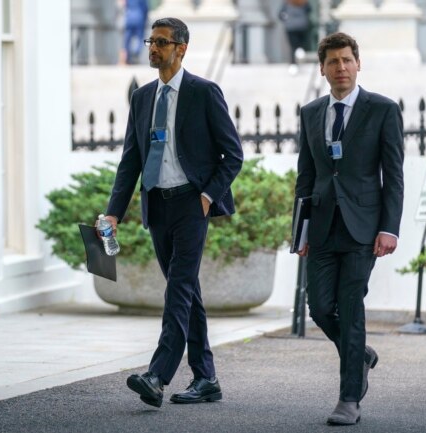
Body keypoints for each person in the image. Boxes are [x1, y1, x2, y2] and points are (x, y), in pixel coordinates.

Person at [100, 17, 243, 408]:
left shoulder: (203, 92)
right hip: (156, 205)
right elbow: (130, 160)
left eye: (162, 42)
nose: (153, 48)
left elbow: (233, 155)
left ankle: (157, 375)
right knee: (188, 292)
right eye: (151, 41)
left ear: (181, 49)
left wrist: (208, 196)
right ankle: (206, 377)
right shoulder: (142, 97)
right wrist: (114, 212)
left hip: (190, 204)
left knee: (178, 288)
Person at [294, 32, 404, 425]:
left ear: (358, 64)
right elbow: (304, 177)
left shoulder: (383, 110)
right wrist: (300, 233)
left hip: (364, 227)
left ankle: (348, 400)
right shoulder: (310, 112)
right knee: (321, 308)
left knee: (351, 307)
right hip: (322, 226)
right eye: (333, 62)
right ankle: (360, 355)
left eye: (347, 60)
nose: (341, 68)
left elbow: (393, 176)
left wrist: (389, 228)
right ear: (322, 69)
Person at [278, 0, 311, 73]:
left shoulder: (287, 2)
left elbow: (280, 15)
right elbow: (309, 10)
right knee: (301, 43)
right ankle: (300, 51)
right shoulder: (304, 2)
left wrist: (286, 20)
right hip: (302, 25)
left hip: (290, 26)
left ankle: (293, 65)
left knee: (293, 46)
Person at [120, 0, 148, 64]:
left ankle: (128, 57)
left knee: (127, 39)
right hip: (139, 18)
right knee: (140, 38)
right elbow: (145, 8)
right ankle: (136, 54)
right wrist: (145, 19)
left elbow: (124, 5)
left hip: (129, 18)